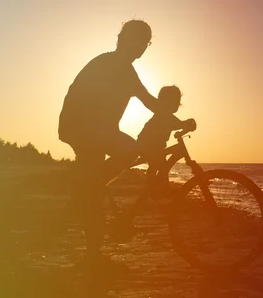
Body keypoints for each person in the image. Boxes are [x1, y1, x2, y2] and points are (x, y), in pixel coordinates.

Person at [58, 19, 158, 262]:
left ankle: (93, 248)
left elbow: (149, 102)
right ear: (122, 40)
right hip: (83, 127)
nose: (141, 46)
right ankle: (87, 191)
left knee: (95, 190)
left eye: (145, 43)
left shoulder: (127, 71)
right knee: (127, 154)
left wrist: (175, 117)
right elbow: (80, 97)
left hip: (93, 130)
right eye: (138, 40)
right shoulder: (106, 63)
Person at [136, 85, 196, 193]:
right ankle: (154, 189)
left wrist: (185, 125)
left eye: (177, 102)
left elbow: (177, 123)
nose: (176, 104)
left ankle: (157, 188)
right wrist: (186, 124)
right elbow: (176, 123)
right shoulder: (163, 114)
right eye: (173, 101)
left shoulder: (167, 116)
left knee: (160, 166)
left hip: (154, 146)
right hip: (148, 145)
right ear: (163, 102)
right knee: (159, 165)